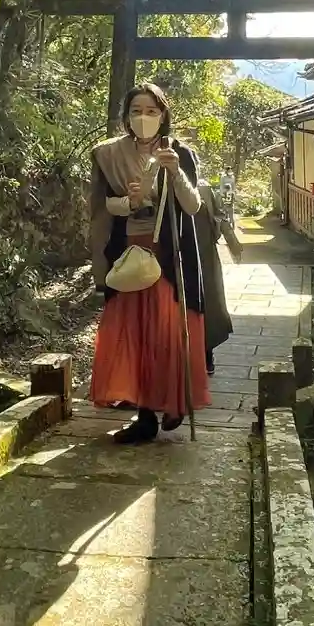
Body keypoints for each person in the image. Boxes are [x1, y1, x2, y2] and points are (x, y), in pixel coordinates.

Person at [88, 82, 211, 443]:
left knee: (169, 329)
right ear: (126, 116)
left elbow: (193, 206)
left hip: (170, 253)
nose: (144, 117)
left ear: (163, 115)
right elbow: (103, 206)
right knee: (136, 332)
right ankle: (144, 415)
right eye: (137, 111)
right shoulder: (109, 155)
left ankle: (174, 400)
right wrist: (128, 202)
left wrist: (175, 173)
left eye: (152, 111)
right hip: (130, 251)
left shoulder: (178, 152)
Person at [195, 176, 242, 375]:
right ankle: (202, 355)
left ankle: (206, 353)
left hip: (203, 253)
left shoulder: (203, 189)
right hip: (182, 254)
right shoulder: (160, 185)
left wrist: (233, 242)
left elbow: (220, 216)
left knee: (208, 303)